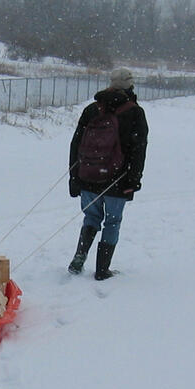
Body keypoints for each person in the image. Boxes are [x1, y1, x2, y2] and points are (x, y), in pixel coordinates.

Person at [67, 67, 149, 279]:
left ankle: (79, 258)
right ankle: (102, 270)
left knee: (91, 217)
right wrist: (134, 178)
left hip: (88, 175)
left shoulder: (92, 109)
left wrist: (74, 176)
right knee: (112, 222)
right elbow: (139, 149)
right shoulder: (135, 112)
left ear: (110, 83)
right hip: (118, 179)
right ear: (131, 85)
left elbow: (76, 143)